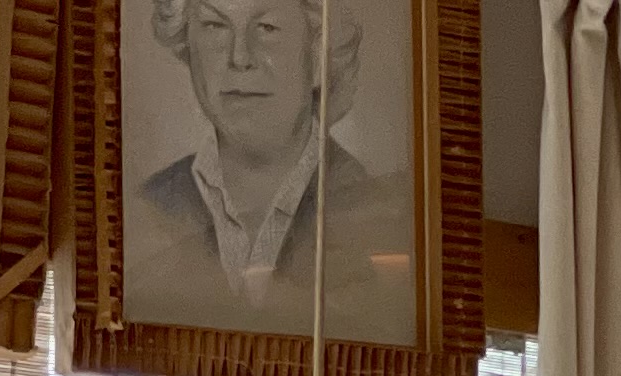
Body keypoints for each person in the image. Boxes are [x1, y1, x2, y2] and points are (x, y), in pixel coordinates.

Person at [125, 0, 417, 344]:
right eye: (215, 26)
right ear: (186, 43)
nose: (239, 57)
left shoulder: (385, 217)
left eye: (267, 28)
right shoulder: (147, 210)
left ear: (318, 54)